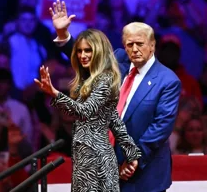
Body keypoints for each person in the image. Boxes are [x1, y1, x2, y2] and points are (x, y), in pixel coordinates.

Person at [50, 0, 181, 192]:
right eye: (130, 44)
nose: (134, 49)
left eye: (140, 44)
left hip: (143, 174)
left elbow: (159, 129)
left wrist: (133, 160)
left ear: (152, 46)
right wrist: (63, 35)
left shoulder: (167, 81)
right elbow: (87, 59)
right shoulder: (119, 59)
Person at [35, 28, 141, 192]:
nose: (82, 55)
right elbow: (113, 119)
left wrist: (54, 93)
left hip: (97, 158)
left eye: (88, 50)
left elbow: (85, 111)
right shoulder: (88, 81)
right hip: (84, 156)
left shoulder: (105, 79)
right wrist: (132, 153)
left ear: (98, 51)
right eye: (79, 51)